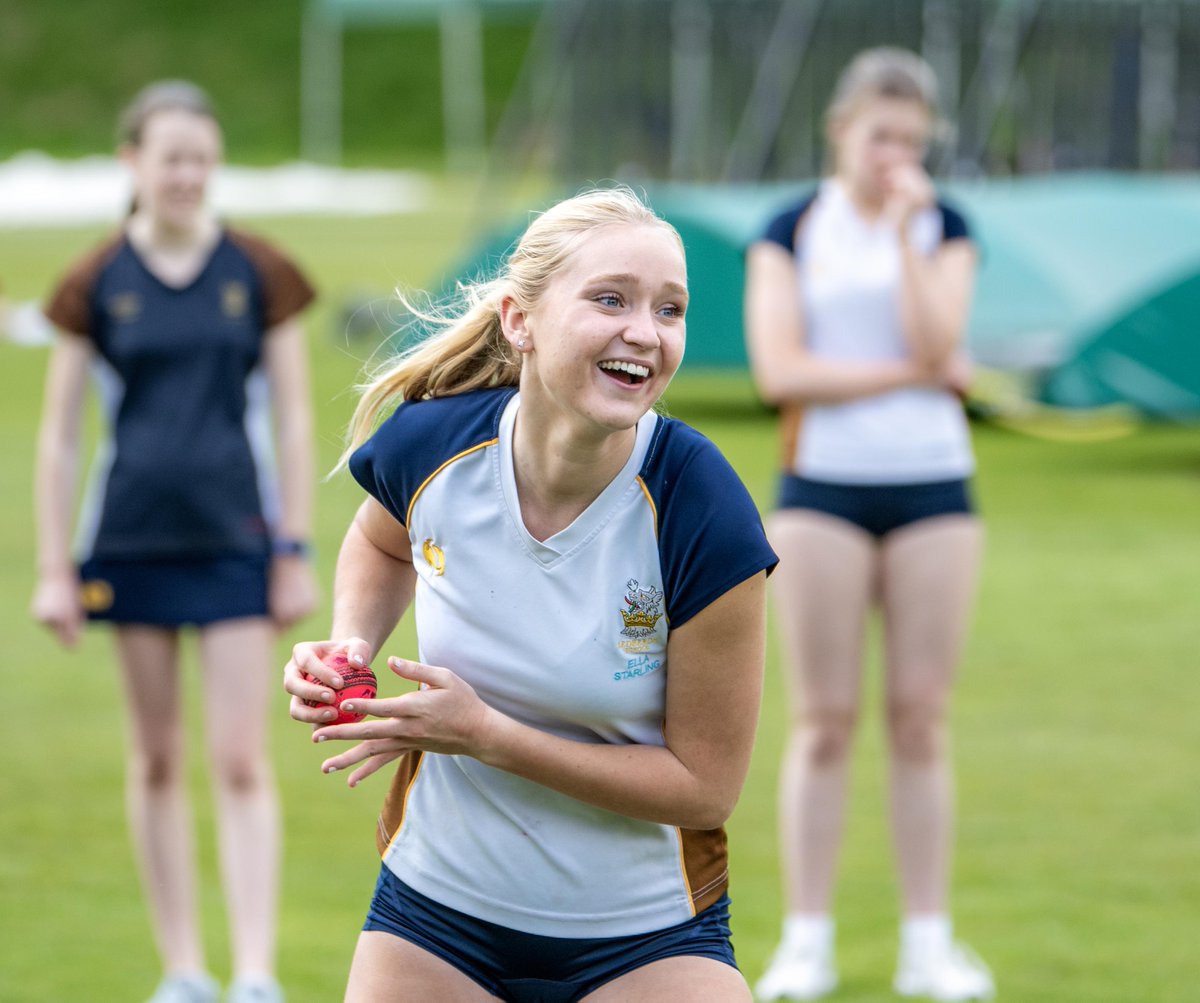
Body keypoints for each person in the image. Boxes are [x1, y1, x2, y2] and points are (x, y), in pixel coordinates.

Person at [283, 186, 778, 1003]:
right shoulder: (435, 443)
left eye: (670, 309)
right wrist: (348, 647)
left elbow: (704, 786)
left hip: (647, 934)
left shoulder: (701, 504)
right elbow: (380, 538)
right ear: (520, 319)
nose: (644, 333)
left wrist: (485, 734)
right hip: (434, 918)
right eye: (610, 299)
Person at [31, 80, 318, 1003]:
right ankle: (184, 970)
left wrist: (294, 549)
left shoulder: (260, 271)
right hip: (131, 544)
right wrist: (52, 568)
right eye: (171, 158)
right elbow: (62, 435)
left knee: (239, 757)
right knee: (155, 757)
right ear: (133, 163)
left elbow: (295, 416)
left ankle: (256, 974)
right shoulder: (94, 281)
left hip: (237, 542)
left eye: (201, 157)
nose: (187, 174)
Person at [744, 49, 993, 1002]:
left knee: (921, 719)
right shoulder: (789, 227)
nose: (895, 155)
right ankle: (806, 940)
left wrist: (902, 240)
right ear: (841, 128)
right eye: (880, 134)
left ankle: (928, 941)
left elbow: (939, 336)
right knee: (823, 719)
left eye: (912, 141)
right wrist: (916, 374)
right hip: (822, 489)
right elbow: (783, 372)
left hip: (934, 488)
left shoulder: (943, 225)